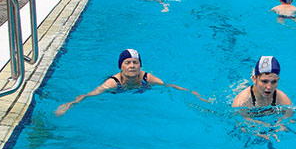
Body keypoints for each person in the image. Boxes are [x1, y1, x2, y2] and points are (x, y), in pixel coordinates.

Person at [55, 49, 205, 116]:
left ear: (140, 65)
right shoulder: (112, 83)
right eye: (127, 62)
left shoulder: (148, 78)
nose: (132, 66)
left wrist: (192, 93)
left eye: (135, 62)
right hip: (119, 91)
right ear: (120, 66)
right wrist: (69, 104)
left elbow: (168, 86)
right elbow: (90, 95)